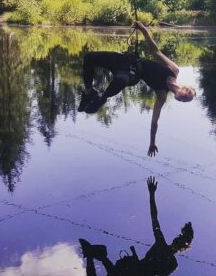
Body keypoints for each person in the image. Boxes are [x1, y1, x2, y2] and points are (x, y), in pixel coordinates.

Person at [78, 21, 196, 156]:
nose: (183, 99)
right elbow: (155, 50)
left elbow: (154, 122)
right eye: (187, 95)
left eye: (184, 101)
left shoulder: (162, 95)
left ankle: (101, 99)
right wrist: (143, 29)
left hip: (132, 74)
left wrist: (152, 142)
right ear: (185, 88)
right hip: (126, 60)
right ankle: (88, 92)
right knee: (89, 58)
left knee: (120, 80)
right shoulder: (174, 70)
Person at [79, 177, 194, 276]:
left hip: (133, 271)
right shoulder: (161, 243)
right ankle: (94, 254)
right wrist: (152, 195)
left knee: (112, 270)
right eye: (180, 236)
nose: (178, 238)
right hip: (130, 269)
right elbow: (154, 217)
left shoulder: (172, 264)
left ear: (183, 246)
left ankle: (96, 254)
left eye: (181, 238)